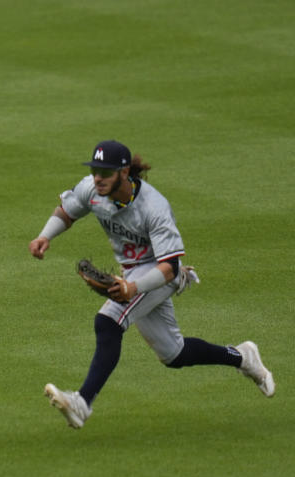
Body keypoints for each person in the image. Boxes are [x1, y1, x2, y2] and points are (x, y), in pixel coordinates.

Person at [29, 140, 275, 429]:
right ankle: (242, 357)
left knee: (108, 321)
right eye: (95, 170)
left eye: (105, 172)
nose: (98, 177)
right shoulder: (92, 189)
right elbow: (68, 212)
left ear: (124, 172)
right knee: (175, 355)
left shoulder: (154, 207)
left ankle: (82, 403)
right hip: (132, 272)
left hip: (160, 274)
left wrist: (133, 289)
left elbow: (169, 268)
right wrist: (45, 235)